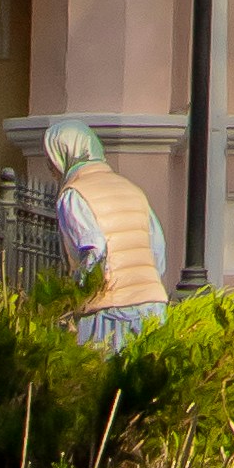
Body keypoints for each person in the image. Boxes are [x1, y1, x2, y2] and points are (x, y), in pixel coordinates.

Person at [45, 117, 170, 340]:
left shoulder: (74, 195)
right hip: (152, 305)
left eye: (51, 159)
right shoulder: (132, 190)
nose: (51, 169)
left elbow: (94, 249)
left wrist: (76, 295)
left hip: (109, 310)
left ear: (63, 156)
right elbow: (157, 249)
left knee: (101, 373)